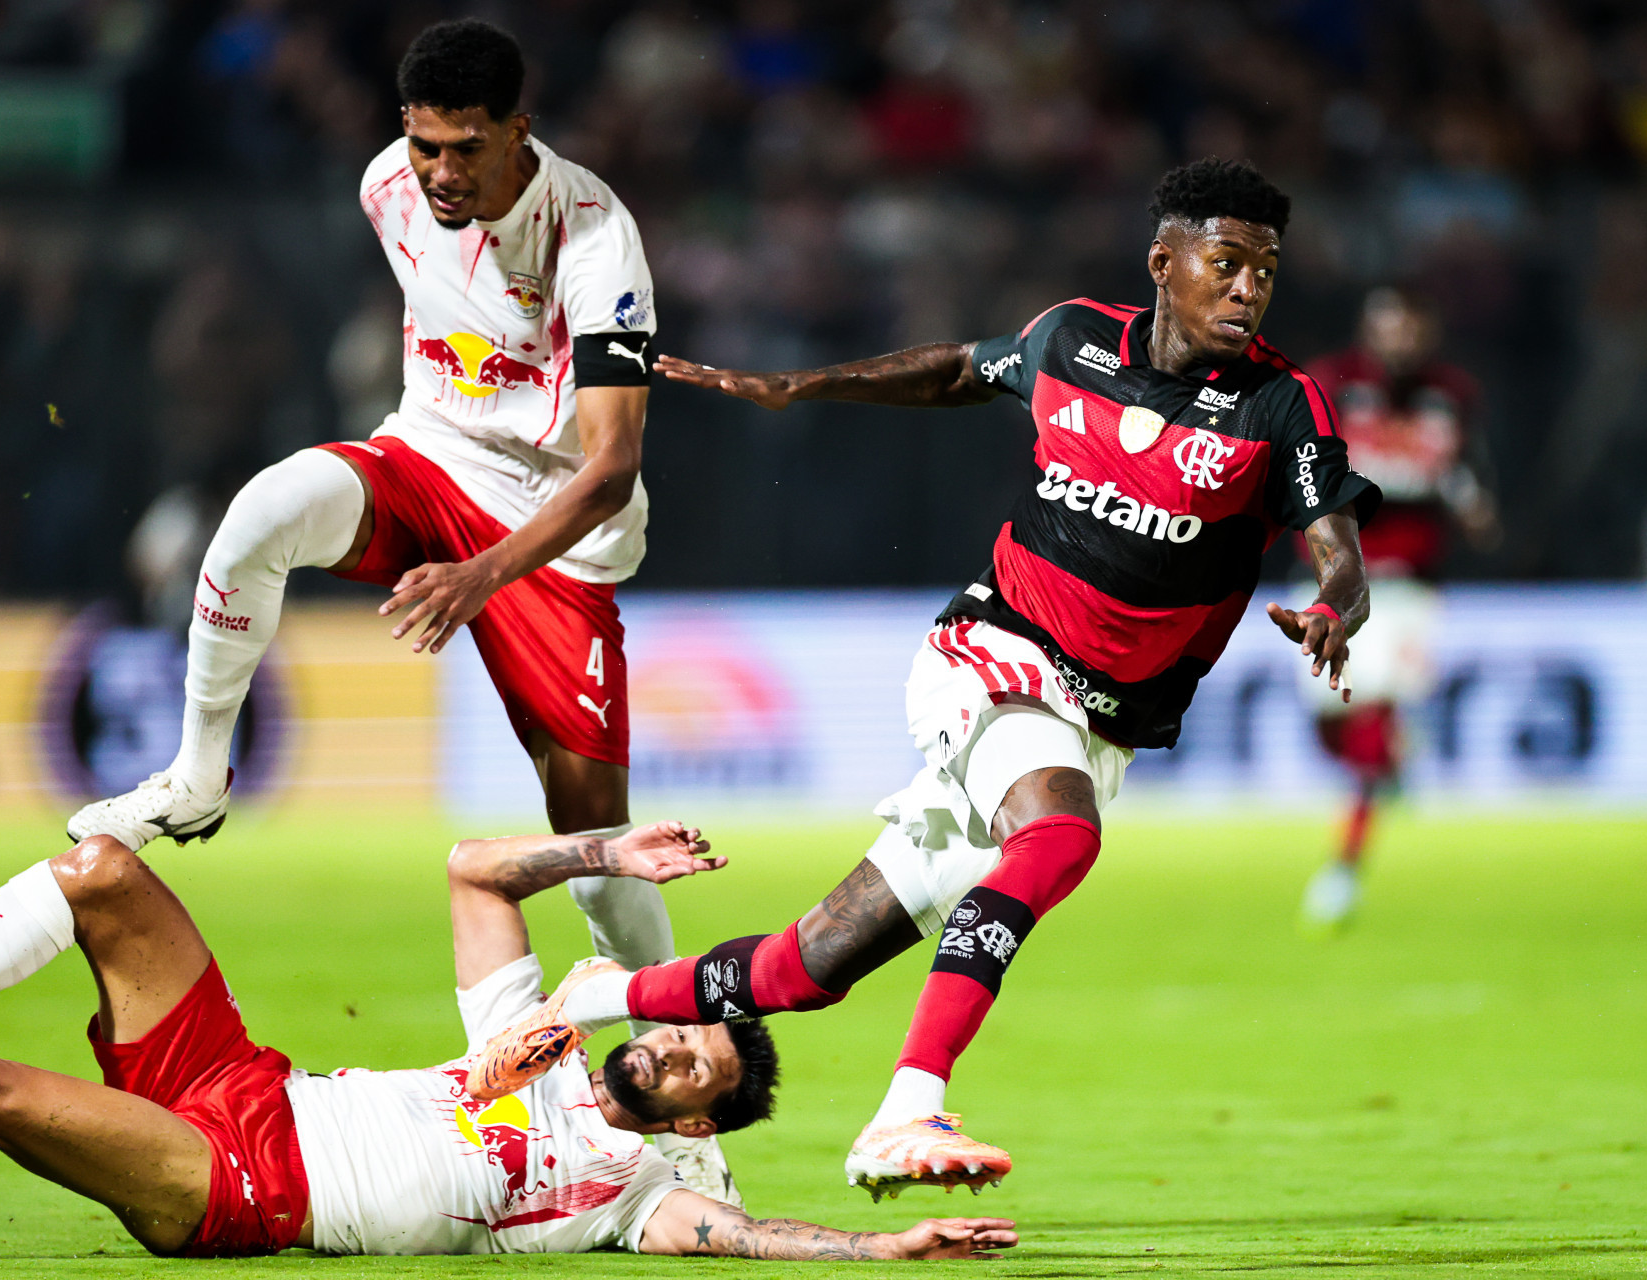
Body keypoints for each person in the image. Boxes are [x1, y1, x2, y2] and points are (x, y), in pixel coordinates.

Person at [470, 159, 1382, 1198]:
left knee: (805, 969)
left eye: (1265, 272)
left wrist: (1333, 605)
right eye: (1227, 265)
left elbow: (1338, 547)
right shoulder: (1071, 339)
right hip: (993, 651)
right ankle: (907, 1108)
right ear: (1163, 263)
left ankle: (598, 992)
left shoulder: (1280, 404)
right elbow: (958, 368)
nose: (1247, 290)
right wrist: (800, 385)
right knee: (1060, 835)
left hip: (1097, 721)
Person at [66, 19, 741, 1202]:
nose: (440, 173)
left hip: (553, 539)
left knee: (596, 860)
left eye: (466, 149)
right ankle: (198, 774)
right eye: (424, 144)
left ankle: (688, 1142)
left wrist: (482, 574)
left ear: (519, 132)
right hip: (425, 460)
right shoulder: (387, 188)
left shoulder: (595, 236)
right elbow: (446, 336)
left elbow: (613, 466)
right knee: (261, 513)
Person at [0, 824, 1017, 1261]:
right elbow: (474, 868)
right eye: (673, 1033)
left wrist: (888, 1245)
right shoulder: (533, 1034)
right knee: (103, 872)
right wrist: (603, 850)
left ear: (695, 1117)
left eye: (690, 1064)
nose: (660, 1050)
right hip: (241, 1081)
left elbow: (749, 1236)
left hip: (247, 1183)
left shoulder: (636, 1188)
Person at [1294, 286, 1498, 930]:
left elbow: (1467, 469)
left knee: (1371, 716)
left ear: (1427, 329)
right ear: (1369, 328)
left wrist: (1474, 506)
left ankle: (1343, 868)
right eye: (1390, 325)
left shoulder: (1451, 394)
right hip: (1332, 582)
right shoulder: (1331, 384)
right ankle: (1393, 762)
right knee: (1329, 723)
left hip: (1407, 587)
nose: (1400, 338)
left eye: (1411, 326)